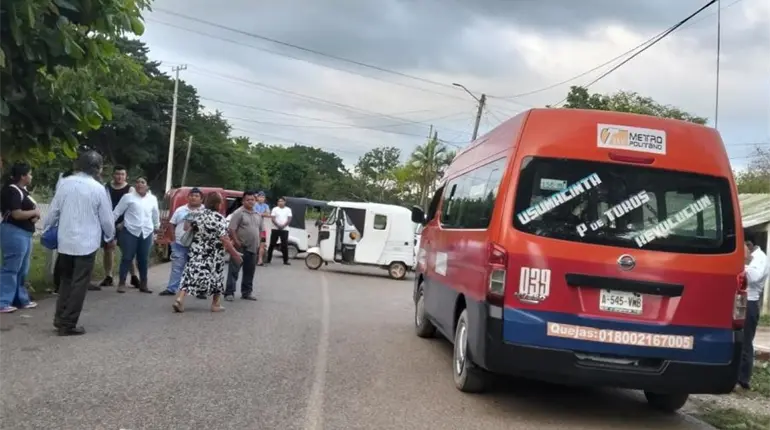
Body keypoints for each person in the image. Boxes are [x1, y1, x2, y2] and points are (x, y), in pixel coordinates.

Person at [44, 151, 116, 336]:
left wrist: (47, 228)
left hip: (65, 241)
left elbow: (53, 211)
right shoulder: (98, 188)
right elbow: (107, 219)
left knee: (66, 281)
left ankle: (59, 318)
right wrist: (110, 236)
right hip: (87, 243)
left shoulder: (65, 184)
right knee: (79, 284)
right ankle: (68, 324)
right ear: (98, 168)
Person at [172, 191, 242, 313]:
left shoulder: (198, 215)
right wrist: (235, 253)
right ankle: (215, 304)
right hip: (213, 253)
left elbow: (186, 228)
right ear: (217, 204)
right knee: (216, 276)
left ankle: (180, 299)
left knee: (190, 274)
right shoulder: (219, 218)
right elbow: (224, 238)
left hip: (196, 251)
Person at [0, 162, 40, 313]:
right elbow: (17, 213)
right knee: (11, 267)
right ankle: (3, 300)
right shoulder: (13, 191)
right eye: (29, 173)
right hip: (14, 232)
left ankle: (20, 299)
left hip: (25, 232)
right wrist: (34, 212)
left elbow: (32, 214)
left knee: (23, 268)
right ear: (23, 176)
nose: (31, 176)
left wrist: (34, 215)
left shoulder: (23, 191)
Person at [113, 176, 159, 294]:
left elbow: (155, 214)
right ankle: (122, 283)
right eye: (137, 182)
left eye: (142, 182)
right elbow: (117, 212)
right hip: (130, 230)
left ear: (147, 185)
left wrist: (157, 227)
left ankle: (144, 283)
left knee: (143, 259)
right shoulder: (128, 197)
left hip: (146, 231)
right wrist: (110, 226)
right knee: (127, 257)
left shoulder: (152, 199)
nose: (139, 184)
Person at [98, 165, 139, 290]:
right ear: (113, 175)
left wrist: (124, 223)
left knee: (128, 251)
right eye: (117, 174)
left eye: (122, 174)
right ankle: (109, 276)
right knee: (108, 248)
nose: (119, 177)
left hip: (125, 224)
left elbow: (133, 208)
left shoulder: (130, 189)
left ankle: (134, 276)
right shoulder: (106, 187)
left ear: (126, 176)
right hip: (109, 222)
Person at [159, 187, 203, 296]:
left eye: (197, 196)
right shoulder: (180, 210)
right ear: (188, 197)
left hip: (197, 245)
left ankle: (199, 290)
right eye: (192, 195)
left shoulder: (204, 211)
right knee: (177, 267)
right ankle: (171, 288)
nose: (194, 198)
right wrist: (173, 238)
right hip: (179, 243)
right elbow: (172, 224)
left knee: (198, 267)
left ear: (201, 199)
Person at [738, 239, 769, 390]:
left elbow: (754, 276)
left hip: (750, 301)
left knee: (746, 341)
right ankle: (736, 374)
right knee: (738, 338)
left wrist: (739, 266)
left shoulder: (760, 258)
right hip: (741, 300)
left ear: (749, 245)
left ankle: (744, 378)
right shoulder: (753, 258)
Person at [224, 190, 263, 301]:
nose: (250, 202)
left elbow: (260, 230)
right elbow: (232, 229)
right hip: (240, 246)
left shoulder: (257, 214)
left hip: (253, 247)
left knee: (249, 271)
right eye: (248, 200)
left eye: (252, 200)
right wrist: (236, 241)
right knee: (234, 271)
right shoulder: (238, 213)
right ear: (243, 201)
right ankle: (229, 293)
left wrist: (260, 243)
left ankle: (246, 293)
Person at [267, 196, 292, 265]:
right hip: (275, 228)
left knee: (284, 245)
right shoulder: (275, 209)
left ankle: (285, 260)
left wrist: (283, 226)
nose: (280, 202)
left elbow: (289, 219)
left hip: (285, 229)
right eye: (279, 201)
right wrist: (278, 225)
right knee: (272, 244)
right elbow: (273, 218)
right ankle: (268, 259)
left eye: (282, 201)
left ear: (285, 202)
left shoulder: (288, 209)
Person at [255, 191, 270, 266]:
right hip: (254, 226)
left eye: (263, 197)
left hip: (262, 227)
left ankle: (260, 260)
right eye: (260, 197)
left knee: (262, 243)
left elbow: (268, 214)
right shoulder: (254, 204)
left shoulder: (266, 206)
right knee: (253, 243)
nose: (261, 199)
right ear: (257, 198)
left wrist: (260, 214)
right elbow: (254, 213)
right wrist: (262, 214)